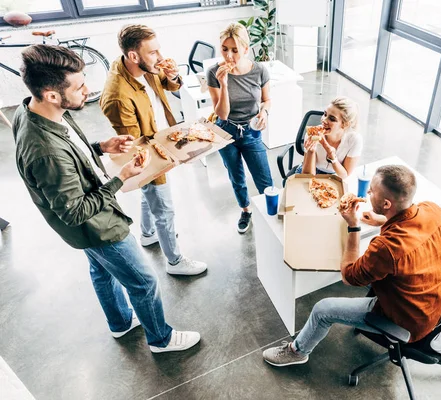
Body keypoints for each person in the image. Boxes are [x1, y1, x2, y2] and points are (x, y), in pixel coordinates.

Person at [13, 44, 201, 353]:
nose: (88, 90)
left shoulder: (34, 109)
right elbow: (75, 212)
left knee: (101, 271)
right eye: (79, 86)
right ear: (51, 94)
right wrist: (122, 177)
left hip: (85, 231)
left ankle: (120, 322)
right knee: (143, 282)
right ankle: (161, 339)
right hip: (97, 227)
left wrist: (101, 146)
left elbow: (70, 147)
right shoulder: (45, 152)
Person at [263, 165, 441, 366]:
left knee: (322, 310)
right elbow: (407, 228)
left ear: (386, 203)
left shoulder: (386, 248)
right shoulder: (433, 210)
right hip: (433, 305)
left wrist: (353, 225)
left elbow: (349, 276)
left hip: (405, 322)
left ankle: (297, 352)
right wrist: (384, 220)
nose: (368, 192)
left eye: (372, 191)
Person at [100, 24, 206, 276]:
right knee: (164, 207)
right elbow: (135, 145)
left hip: (161, 136)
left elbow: (171, 87)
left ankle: (148, 235)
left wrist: (172, 76)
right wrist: (178, 152)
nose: (160, 57)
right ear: (133, 56)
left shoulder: (143, 66)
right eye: (153, 53)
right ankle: (174, 261)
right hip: (147, 152)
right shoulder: (117, 95)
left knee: (150, 194)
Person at [207, 22, 273, 234]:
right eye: (225, 49)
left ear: (246, 49)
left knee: (264, 177)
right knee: (236, 176)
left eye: (235, 50)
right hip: (226, 131)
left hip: (252, 131)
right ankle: (245, 210)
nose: (229, 56)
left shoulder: (260, 70)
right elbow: (223, 114)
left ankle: (271, 213)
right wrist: (224, 84)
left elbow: (267, 99)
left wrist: (264, 112)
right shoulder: (214, 73)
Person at [298, 96, 362, 179]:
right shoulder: (312, 134)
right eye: (325, 114)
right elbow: (308, 176)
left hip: (335, 175)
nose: (324, 120)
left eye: (332, 119)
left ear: (345, 124)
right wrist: (311, 151)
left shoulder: (354, 140)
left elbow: (344, 175)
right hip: (312, 172)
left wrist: (331, 155)